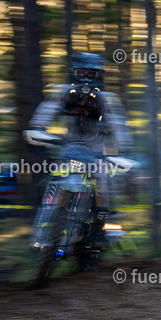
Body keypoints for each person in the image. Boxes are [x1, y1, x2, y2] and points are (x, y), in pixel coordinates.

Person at [27, 52, 132, 248]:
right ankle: (42, 233)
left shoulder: (106, 99)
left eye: (91, 74)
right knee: (49, 182)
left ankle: (107, 227)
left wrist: (125, 151)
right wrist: (37, 128)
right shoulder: (63, 92)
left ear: (98, 75)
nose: (85, 78)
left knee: (104, 184)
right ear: (73, 73)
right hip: (69, 150)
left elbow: (119, 125)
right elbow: (47, 109)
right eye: (81, 72)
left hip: (95, 153)